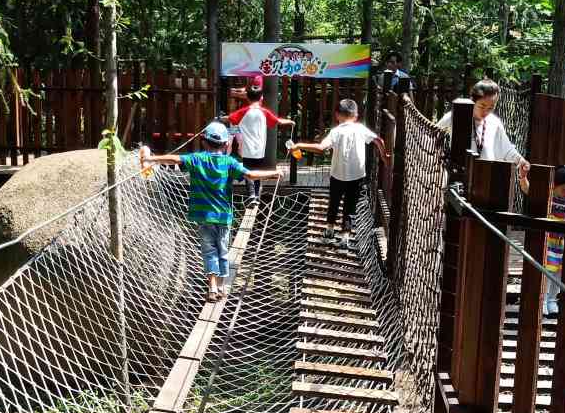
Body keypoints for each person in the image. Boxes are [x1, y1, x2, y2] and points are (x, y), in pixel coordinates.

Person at [140, 121, 281, 301]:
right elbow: (251, 175)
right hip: (223, 217)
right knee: (223, 251)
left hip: (204, 217)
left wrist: (150, 159)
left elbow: (175, 159)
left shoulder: (197, 159)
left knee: (209, 252)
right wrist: (273, 173)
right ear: (226, 144)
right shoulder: (230, 162)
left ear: (203, 142)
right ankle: (221, 288)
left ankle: (212, 288)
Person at [290, 97, 388, 246]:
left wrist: (299, 145)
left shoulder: (336, 131)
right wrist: (384, 156)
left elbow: (322, 148)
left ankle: (329, 231)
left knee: (334, 203)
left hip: (338, 175)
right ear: (355, 116)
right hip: (357, 176)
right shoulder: (361, 129)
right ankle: (345, 238)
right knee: (350, 206)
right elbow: (378, 140)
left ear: (337, 115)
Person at [437, 79, 530, 189]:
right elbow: (434, 134)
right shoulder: (455, 116)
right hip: (458, 180)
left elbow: (507, 149)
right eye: (482, 106)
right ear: (473, 101)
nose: (486, 111)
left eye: (491, 108)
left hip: (486, 181)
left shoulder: (495, 123)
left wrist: (520, 160)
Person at [221, 75, 293, 206]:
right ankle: (257, 196)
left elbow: (229, 118)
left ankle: (251, 195)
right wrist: (290, 121)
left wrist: (219, 118)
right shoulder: (264, 111)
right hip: (260, 148)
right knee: (257, 171)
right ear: (261, 98)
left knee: (248, 170)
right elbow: (277, 121)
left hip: (247, 148)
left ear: (247, 97)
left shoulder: (243, 111)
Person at [543, 165, 565, 316]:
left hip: (563, 242)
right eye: (562, 189)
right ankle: (544, 299)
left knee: (559, 271)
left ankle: (553, 299)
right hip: (550, 240)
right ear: (554, 186)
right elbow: (528, 190)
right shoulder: (549, 198)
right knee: (548, 271)